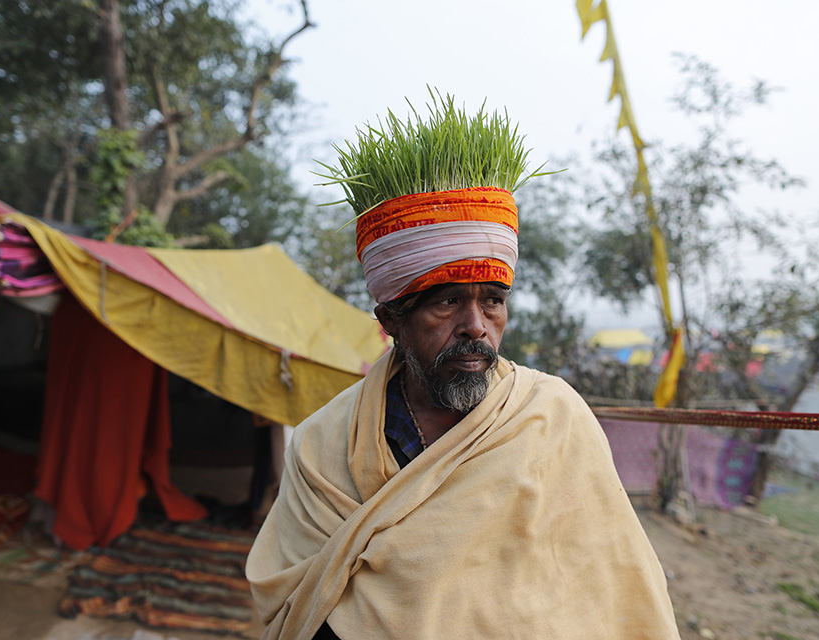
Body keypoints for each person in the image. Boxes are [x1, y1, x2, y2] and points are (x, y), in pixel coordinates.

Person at [246, 97, 680, 640]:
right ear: (391, 319)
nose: (476, 326)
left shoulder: (553, 418)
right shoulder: (321, 446)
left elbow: (608, 586)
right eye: (447, 302)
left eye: (492, 301)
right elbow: (294, 600)